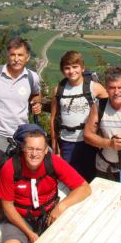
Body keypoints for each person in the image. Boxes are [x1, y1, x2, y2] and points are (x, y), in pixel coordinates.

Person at [0, 124, 91, 243]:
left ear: (46, 150)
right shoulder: (10, 168)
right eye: (30, 149)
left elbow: (84, 188)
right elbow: (7, 206)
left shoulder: (53, 162)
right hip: (19, 218)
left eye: (39, 149)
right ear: (23, 148)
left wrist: (61, 206)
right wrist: (29, 233)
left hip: (49, 213)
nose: (34, 154)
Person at [0, 36, 42, 177]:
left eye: (20, 55)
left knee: (23, 171)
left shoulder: (32, 77)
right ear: (7, 56)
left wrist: (37, 105)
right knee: (1, 170)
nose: (16, 58)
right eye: (12, 55)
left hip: (22, 133)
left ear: (27, 57)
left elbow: (36, 95)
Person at [50, 51, 107, 182]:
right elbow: (53, 117)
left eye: (75, 67)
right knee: (70, 179)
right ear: (63, 70)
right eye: (67, 68)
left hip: (90, 142)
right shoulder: (58, 90)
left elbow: (114, 104)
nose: (71, 71)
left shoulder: (95, 88)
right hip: (66, 141)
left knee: (92, 178)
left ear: (82, 68)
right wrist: (54, 143)